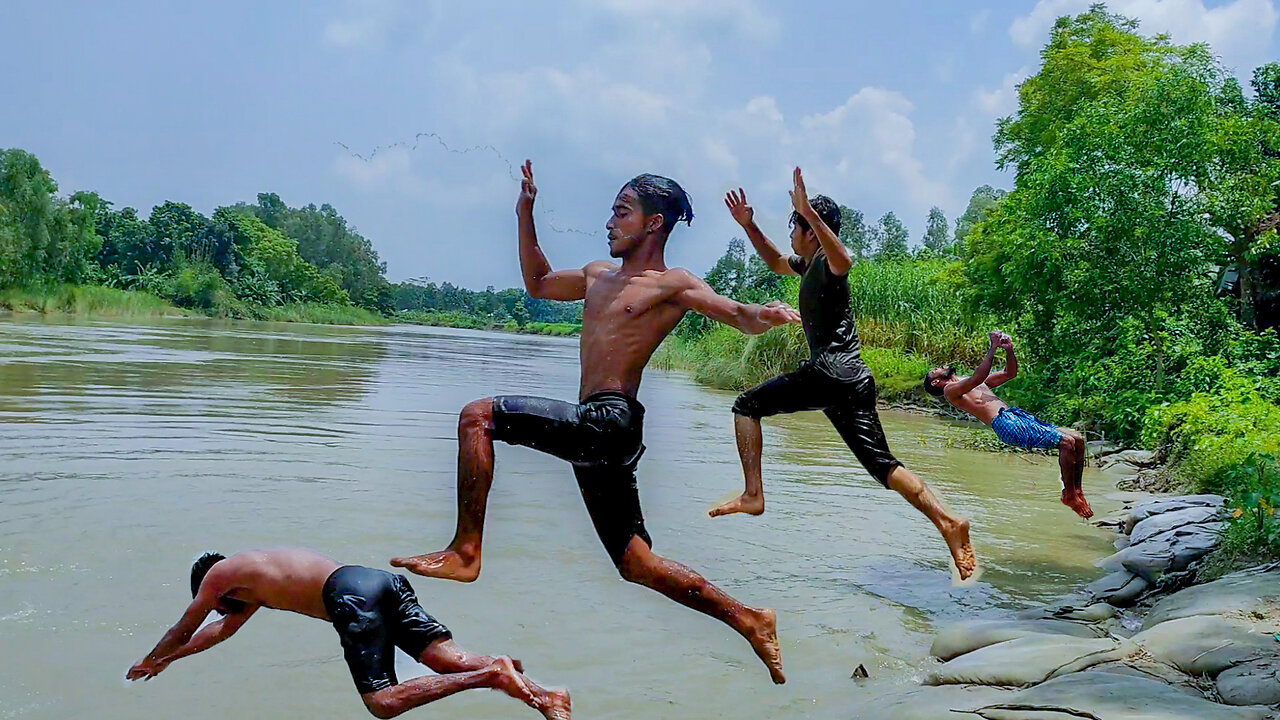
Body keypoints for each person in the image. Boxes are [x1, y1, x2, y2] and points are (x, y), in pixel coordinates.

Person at [390, 160, 799, 684]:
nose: (609, 221)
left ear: (654, 224)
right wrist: (524, 212)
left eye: (621, 212)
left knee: (478, 416)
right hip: (597, 428)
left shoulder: (671, 284)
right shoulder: (596, 276)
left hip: (612, 420)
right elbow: (537, 283)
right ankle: (749, 619)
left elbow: (738, 315)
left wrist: (764, 314)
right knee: (636, 564)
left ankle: (466, 550)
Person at [706, 170, 978, 582]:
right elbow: (775, 260)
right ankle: (948, 522)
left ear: (811, 229)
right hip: (852, 380)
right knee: (885, 467)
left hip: (830, 372)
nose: (792, 234)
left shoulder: (830, 263)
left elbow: (845, 259)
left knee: (746, 405)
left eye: (794, 225)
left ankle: (753, 493)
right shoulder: (809, 263)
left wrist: (809, 212)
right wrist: (749, 225)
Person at [127, 548, 571, 719]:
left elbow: (187, 625)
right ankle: (548, 696)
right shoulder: (255, 578)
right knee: (445, 660)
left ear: (213, 589)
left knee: (382, 703)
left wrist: (152, 656)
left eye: (217, 604)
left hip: (349, 597)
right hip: (374, 580)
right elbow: (218, 633)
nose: (223, 610)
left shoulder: (220, 575)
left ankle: (491, 674)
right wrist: (170, 661)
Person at [924, 333, 1092, 519]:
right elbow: (977, 378)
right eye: (936, 370)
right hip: (1005, 424)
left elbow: (1009, 373)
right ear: (936, 382)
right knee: (1067, 443)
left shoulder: (971, 383)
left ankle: (1076, 491)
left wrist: (1009, 350)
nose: (941, 366)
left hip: (1016, 417)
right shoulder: (950, 391)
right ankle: (1069, 494)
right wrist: (993, 347)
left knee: (1078, 439)